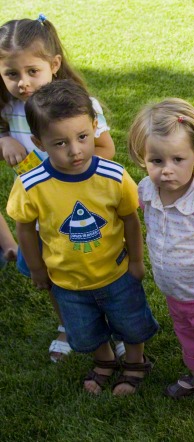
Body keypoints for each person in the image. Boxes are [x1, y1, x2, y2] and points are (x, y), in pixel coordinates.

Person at [6, 80, 158, 395]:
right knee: (84, 330)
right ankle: (104, 360)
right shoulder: (31, 184)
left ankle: (135, 361)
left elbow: (130, 218)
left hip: (116, 273)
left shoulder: (113, 176)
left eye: (83, 137)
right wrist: (36, 268)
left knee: (132, 322)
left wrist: (137, 260)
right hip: (67, 280)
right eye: (60, 143)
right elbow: (24, 227)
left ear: (93, 127)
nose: (75, 150)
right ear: (39, 141)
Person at [0, 15, 116, 361]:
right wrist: (4, 138)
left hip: (80, 203)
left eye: (32, 71)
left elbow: (107, 150)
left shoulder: (80, 105)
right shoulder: (9, 107)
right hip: (39, 208)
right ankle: (67, 324)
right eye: (11, 74)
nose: (23, 83)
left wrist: (65, 160)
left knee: (93, 265)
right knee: (50, 268)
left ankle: (111, 323)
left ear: (53, 65)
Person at [127, 98, 194, 423]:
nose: (167, 169)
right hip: (174, 292)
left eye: (178, 159)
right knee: (187, 337)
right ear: (142, 159)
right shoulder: (147, 189)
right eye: (156, 160)